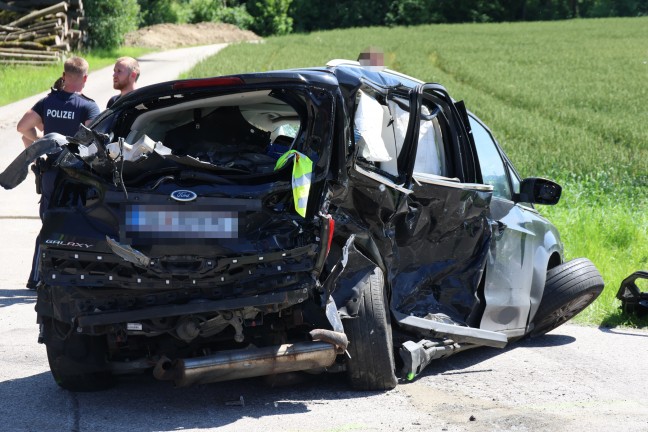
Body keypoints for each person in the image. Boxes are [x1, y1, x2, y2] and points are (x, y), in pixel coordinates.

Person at [16, 56, 101, 290]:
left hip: (51, 174)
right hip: (76, 176)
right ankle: (71, 276)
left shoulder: (48, 101)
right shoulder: (88, 106)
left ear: (64, 75)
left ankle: (36, 277)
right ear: (84, 78)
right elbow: (95, 142)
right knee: (77, 226)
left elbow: (23, 127)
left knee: (48, 224)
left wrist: (45, 142)